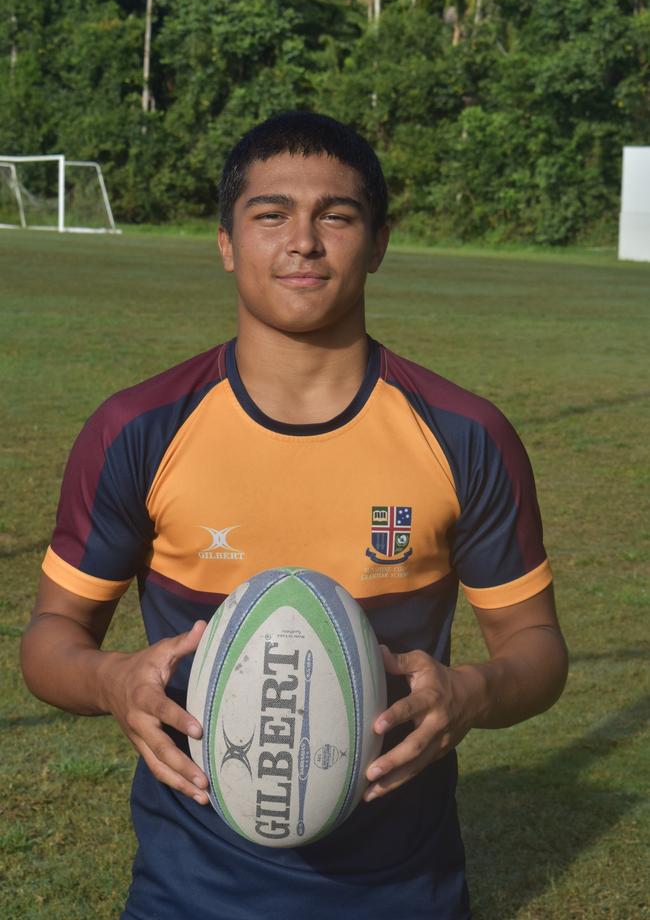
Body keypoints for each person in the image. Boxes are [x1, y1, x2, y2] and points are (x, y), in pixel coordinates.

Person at [21, 111, 568, 919]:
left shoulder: (463, 435)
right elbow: (49, 640)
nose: (303, 241)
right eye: (271, 214)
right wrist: (110, 680)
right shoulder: (139, 429)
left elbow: (537, 649)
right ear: (225, 242)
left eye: (335, 216)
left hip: (403, 894)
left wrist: (474, 694)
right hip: (189, 895)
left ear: (378, 243)